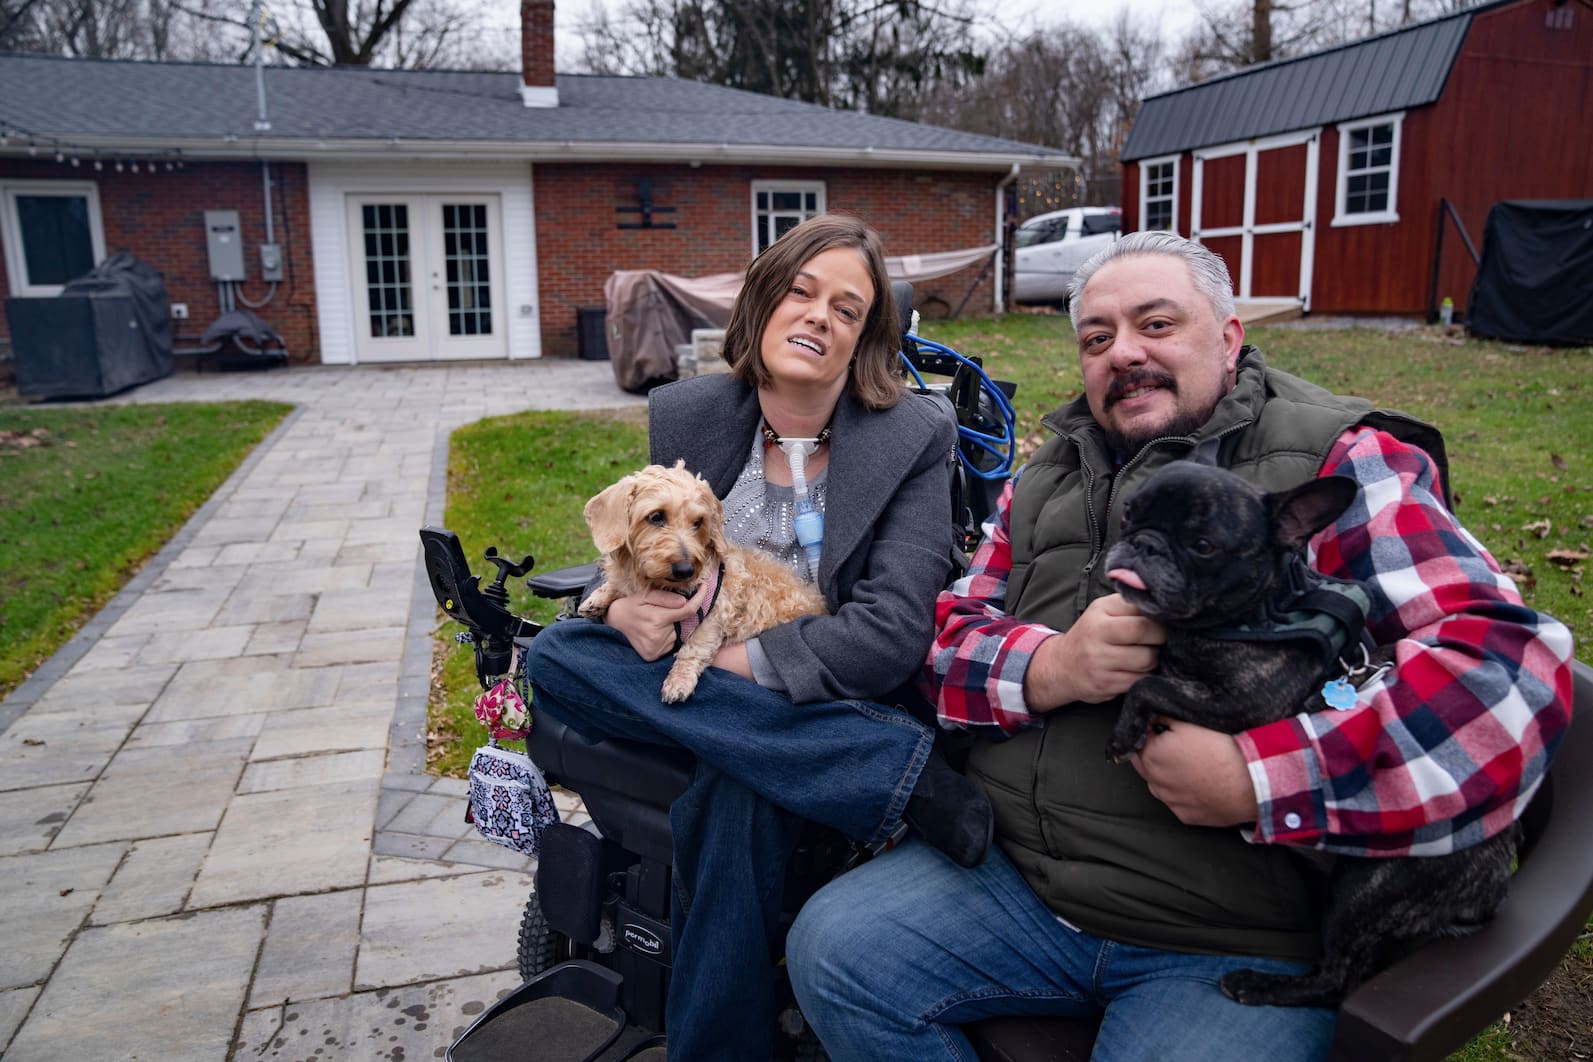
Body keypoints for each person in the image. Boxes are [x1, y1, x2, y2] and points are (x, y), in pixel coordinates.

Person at [786, 231, 1575, 1061]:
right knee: (832, 953)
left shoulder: (1342, 461)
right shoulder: (1041, 480)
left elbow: (1504, 674)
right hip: (1013, 880)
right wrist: (1049, 667)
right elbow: (942, 646)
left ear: (1227, 336)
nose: (1123, 353)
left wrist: (1261, 780)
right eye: (1096, 338)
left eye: (1155, 324)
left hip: (1238, 933)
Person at [524, 212, 994, 1061]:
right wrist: (625, 609)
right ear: (764, 303)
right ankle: (887, 768)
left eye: (847, 309)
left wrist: (734, 666)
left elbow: (890, 631)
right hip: (744, 696)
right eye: (801, 291)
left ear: (865, 339)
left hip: (822, 681)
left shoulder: (913, 436)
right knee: (556, 652)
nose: (818, 316)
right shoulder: (690, 413)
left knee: (736, 791)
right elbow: (653, 552)